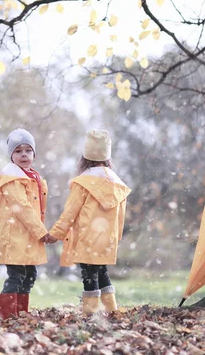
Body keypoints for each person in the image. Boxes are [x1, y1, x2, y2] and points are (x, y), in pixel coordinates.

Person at [49, 129, 131, 314]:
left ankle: (91, 314)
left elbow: (69, 213)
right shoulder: (117, 185)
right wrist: (115, 238)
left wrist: (55, 233)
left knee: (89, 275)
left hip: (87, 238)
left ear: (85, 158)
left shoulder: (83, 183)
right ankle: (112, 311)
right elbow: (120, 217)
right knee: (102, 273)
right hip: (107, 240)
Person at [0, 128, 55, 319]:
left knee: (29, 275)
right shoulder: (12, 178)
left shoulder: (32, 177)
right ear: (11, 155)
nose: (24, 155)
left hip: (27, 237)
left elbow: (35, 209)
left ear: (34, 153)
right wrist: (41, 231)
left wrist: (38, 231)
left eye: (28, 150)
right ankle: (6, 316)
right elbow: (21, 207)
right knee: (17, 276)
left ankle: (20, 313)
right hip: (15, 237)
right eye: (18, 151)